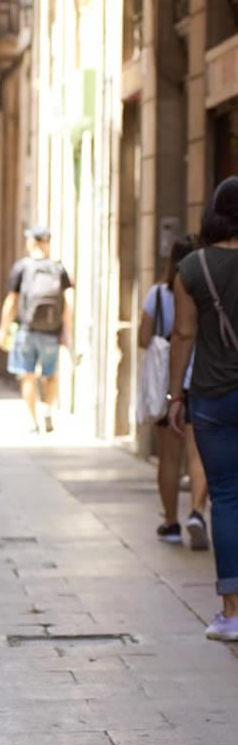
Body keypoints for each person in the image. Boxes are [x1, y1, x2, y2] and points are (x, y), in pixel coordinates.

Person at [169, 176, 238, 641]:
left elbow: (183, 335)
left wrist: (176, 395)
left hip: (212, 397)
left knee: (227, 498)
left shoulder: (193, 268)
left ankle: (232, 614)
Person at [138, 235, 209, 548]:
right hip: (202, 379)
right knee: (198, 454)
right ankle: (196, 511)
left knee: (169, 458)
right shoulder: (205, 291)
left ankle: (171, 522)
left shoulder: (156, 295)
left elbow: (143, 337)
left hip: (170, 384)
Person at [0, 225, 74, 433]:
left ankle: (32, 420)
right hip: (51, 331)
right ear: (47, 243)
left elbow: (12, 300)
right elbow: (67, 304)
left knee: (27, 375)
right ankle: (47, 408)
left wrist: (3, 329)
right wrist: (68, 333)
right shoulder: (59, 269)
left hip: (27, 330)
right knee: (51, 374)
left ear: (31, 243)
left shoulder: (22, 267)